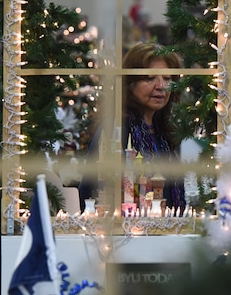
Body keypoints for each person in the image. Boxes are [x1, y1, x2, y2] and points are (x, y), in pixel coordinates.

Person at [78, 43, 185, 213]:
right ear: (129, 84)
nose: (161, 86)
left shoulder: (166, 133)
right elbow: (92, 194)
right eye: (150, 78)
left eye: (167, 78)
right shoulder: (115, 130)